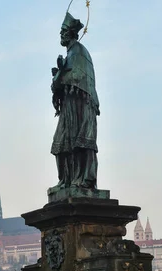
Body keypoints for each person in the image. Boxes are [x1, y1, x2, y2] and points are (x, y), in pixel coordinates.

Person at [50, 12, 100, 190]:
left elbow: (79, 76)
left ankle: (84, 179)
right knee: (61, 144)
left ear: (71, 33)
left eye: (63, 31)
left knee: (81, 141)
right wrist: (58, 75)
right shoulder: (69, 54)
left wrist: (61, 75)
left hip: (81, 104)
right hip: (69, 105)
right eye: (60, 32)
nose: (61, 35)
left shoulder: (79, 51)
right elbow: (59, 84)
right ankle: (66, 180)